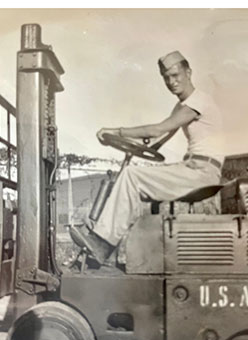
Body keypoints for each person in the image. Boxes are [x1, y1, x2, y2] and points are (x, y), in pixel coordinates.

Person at [70, 51, 224, 264]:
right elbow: (156, 140)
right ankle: (116, 247)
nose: (171, 81)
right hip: (192, 167)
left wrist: (117, 131)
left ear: (188, 72)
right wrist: (132, 146)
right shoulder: (182, 106)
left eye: (176, 75)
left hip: (201, 172)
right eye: (166, 77)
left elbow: (157, 129)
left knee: (132, 177)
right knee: (133, 177)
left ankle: (102, 244)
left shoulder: (198, 101)